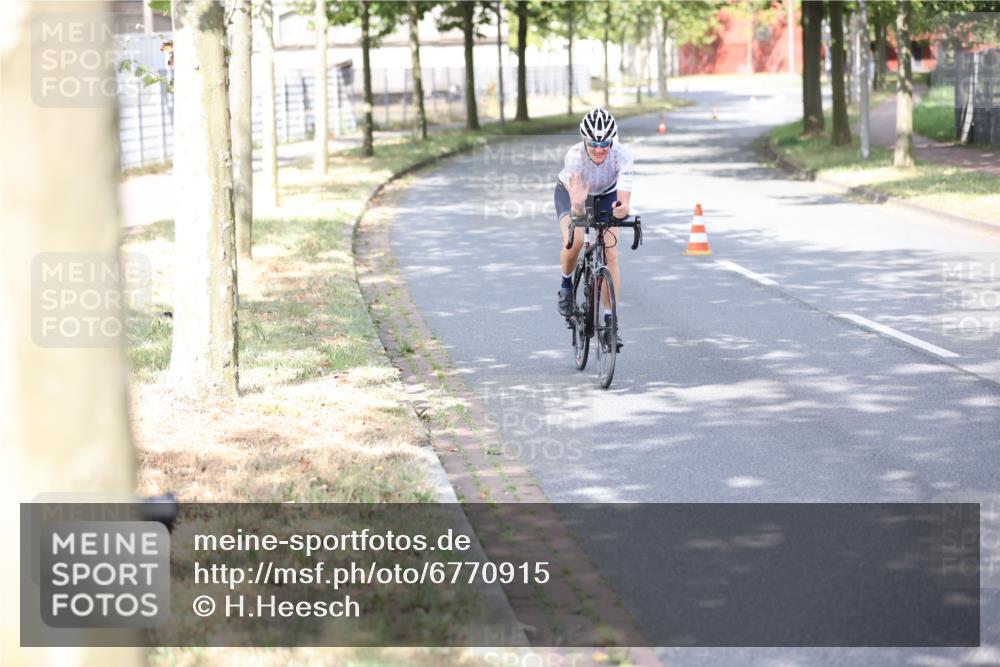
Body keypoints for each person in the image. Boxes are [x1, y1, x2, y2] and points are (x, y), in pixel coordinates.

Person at [554, 107, 634, 351]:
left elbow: (623, 201)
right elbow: (578, 209)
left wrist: (622, 210)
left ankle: (610, 321)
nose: (599, 149)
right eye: (593, 144)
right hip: (574, 195)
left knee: (610, 253)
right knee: (575, 240)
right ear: (584, 141)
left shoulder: (623, 155)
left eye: (605, 143)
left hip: (607, 193)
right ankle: (566, 285)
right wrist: (578, 205)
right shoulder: (575, 157)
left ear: (613, 141)